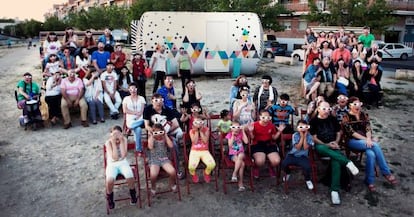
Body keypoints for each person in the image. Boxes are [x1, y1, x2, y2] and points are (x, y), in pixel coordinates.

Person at [342, 97, 397, 192]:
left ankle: (369, 181)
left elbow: (368, 129)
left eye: (359, 103)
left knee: (371, 154)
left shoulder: (364, 115)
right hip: (352, 141)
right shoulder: (346, 117)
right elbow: (352, 133)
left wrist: (368, 139)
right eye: (355, 104)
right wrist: (368, 140)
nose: (357, 106)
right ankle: (386, 172)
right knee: (375, 145)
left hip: (366, 140)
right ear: (350, 105)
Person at [309, 101, 359, 205]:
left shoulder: (332, 119)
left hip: (334, 145)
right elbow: (314, 138)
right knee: (322, 148)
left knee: (335, 161)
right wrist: (327, 145)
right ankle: (348, 162)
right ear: (318, 109)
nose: (327, 111)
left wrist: (336, 142)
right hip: (322, 146)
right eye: (324, 109)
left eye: (328, 109)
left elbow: (338, 133)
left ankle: (334, 190)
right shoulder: (313, 121)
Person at [143, 93, 184, 179]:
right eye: (156, 100)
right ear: (152, 101)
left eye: (161, 100)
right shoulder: (147, 109)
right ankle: (154, 168)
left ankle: (177, 169)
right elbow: (146, 125)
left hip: (166, 132)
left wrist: (164, 132)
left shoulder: (167, 110)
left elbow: (176, 124)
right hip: (153, 134)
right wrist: (154, 132)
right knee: (151, 147)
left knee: (174, 146)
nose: (159, 102)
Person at [105, 125, 137, 209]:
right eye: (114, 134)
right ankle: (110, 198)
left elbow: (123, 155)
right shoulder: (108, 143)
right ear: (111, 135)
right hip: (112, 165)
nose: (116, 136)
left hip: (123, 163)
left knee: (130, 176)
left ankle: (133, 194)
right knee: (109, 180)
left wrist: (122, 141)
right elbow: (114, 158)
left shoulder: (124, 140)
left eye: (118, 134)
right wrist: (113, 143)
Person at [248, 110, 285, 179]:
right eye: (264, 117)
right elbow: (252, 138)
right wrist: (250, 132)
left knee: (276, 161)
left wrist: (279, 132)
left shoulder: (271, 125)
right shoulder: (254, 125)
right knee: (260, 161)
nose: (266, 119)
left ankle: (270, 166)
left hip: (269, 144)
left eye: (268, 117)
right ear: (260, 117)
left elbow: (274, 138)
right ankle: (256, 167)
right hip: (257, 144)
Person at [281, 119, 314, 190]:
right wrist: (302, 137)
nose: (303, 129)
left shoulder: (310, 137)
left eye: (305, 127)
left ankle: (308, 179)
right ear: (297, 128)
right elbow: (298, 147)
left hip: (303, 156)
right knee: (283, 164)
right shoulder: (295, 135)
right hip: (293, 155)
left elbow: (305, 147)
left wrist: (304, 137)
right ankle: (288, 173)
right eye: (301, 127)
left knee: (307, 167)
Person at [147, 123, 177, 195]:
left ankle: (172, 183)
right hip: (154, 159)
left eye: (160, 132)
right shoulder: (152, 139)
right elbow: (150, 147)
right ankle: (153, 186)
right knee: (153, 175)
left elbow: (171, 145)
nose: (158, 134)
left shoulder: (164, 138)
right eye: (156, 132)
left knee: (172, 171)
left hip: (164, 159)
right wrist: (152, 136)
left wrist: (165, 135)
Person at [188, 117, 216, 183]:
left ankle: (206, 173)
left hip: (205, 151)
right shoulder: (191, 131)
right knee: (191, 167)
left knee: (212, 164)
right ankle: (194, 174)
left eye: (200, 122)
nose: (198, 124)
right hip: (194, 151)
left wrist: (201, 131)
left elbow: (205, 141)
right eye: (196, 123)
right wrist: (197, 131)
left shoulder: (206, 129)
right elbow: (194, 142)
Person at [225, 121, 249, 191]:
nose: (236, 129)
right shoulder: (229, 135)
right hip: (233, 154)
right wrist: (232, 136)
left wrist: (243, 131)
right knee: (242, 164)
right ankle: (240, 183)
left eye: (238, 127)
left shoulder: (241, 133)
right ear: (231, 128)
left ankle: (234, 173)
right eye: (233, 127)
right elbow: (230, 145)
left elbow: (246, 142)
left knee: (241, 156)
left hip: (241, 152)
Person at [123, 82, 146, 152]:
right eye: (131, 89)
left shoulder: (141, 98)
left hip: (140, 118)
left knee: (140, 125)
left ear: (137, 89)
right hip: (130, 119)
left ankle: (138, 149)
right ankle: (139, 149)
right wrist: (135, 113)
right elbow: (125, 110)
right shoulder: (126, 99)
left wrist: (138, 116)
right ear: (129, 90)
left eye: (134, 88)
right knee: (136, 127)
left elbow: (142, 110)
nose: (133, 90)